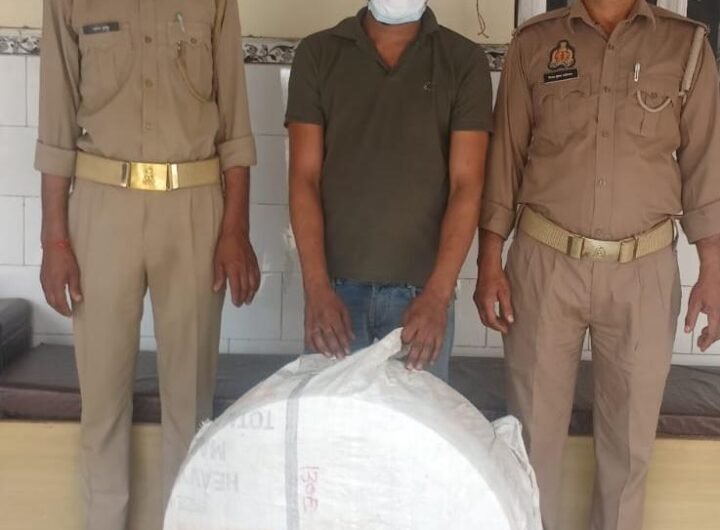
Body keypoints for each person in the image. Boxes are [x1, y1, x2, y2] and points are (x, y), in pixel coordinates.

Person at [474, 1, 720, 529]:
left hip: (643, 270)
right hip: (545, 265)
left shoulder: (686, 45)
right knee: (531, 441)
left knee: (628, 450)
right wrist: (488, 259)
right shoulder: (534, 42)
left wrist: (713, 268)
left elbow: (705, 162)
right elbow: (505, 157)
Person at [35, 0, 258, 528]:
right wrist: (55, 238)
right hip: (101, 206)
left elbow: (235, 122)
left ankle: (184, 519)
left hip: (194, 207)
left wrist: (235, 229)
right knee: (102, 406)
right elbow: (56, 121)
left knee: (191, 403)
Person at [286, 0, 493, 380]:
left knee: (414, 421)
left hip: (421, 301)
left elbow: (466, 187)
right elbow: (304, 178)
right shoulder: (317, 54)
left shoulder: (463, 60)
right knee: (332, 419)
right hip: (335, 297)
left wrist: (437, 297)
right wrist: (316, 290)